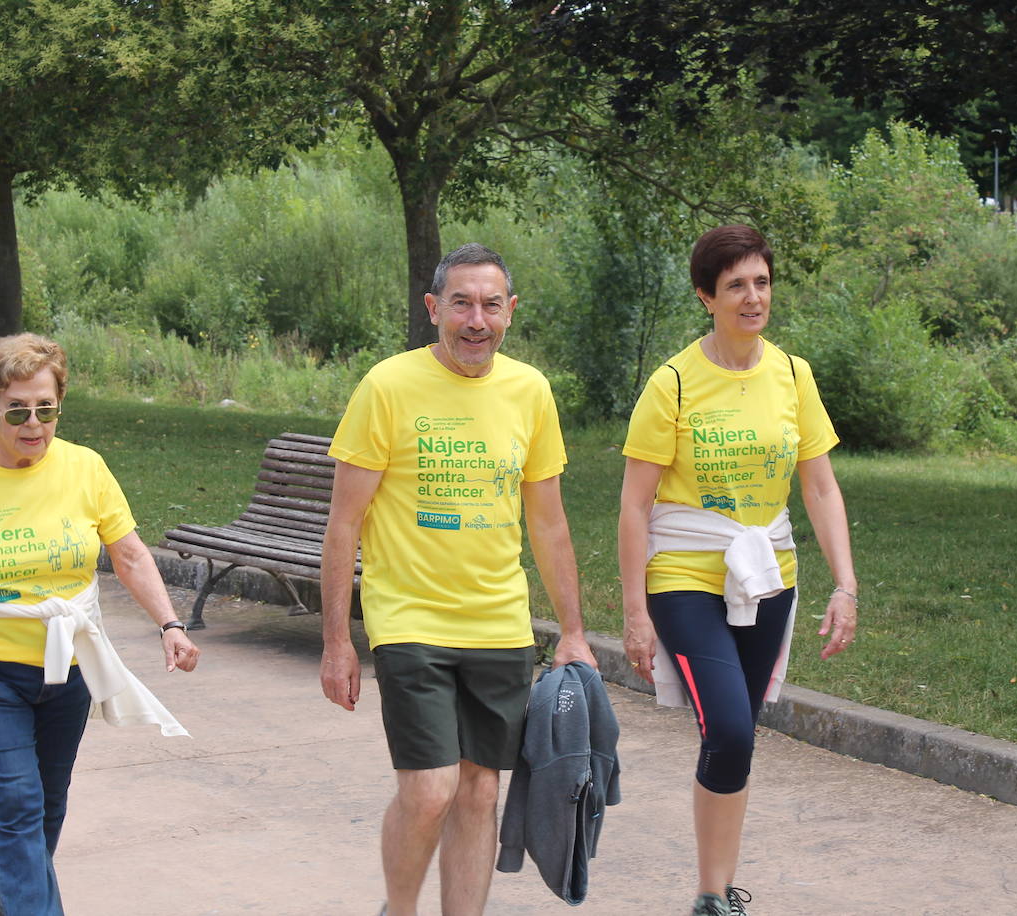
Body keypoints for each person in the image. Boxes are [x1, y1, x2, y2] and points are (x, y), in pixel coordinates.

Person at [0, 333, 200, 916]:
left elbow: (128, 554)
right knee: (17, 803)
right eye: (17, 410)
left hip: (67, 669)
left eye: (46, 409)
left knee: (46, 806)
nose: (33, 424)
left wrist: (170, 623)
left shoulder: (86, 469)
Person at [319, 243, 598, 916]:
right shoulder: (387, 387)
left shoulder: (529, 392)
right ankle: (400, 909)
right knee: (431, 789)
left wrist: (574, 633)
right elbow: (343, 523)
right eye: (462, 304)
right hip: (409, 619)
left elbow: (550, 524)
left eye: (491, 305)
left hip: (499, 623)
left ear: (511, 311)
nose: (477, 320)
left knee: (479, 790)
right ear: (433, 308)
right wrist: (337, 641)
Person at [618, 225, 858, 916]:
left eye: (761, 282)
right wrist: (634, 612)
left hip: (768, 574)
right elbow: (635, 505)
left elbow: (819, 487)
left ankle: (715, 895)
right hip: (684, 574)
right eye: (735, 286)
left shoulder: (792, 374)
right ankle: (712, 893)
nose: (752, 298)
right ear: (706, 297)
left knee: (739, 735)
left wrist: (845, 586)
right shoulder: (672, 383)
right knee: (726, 726)